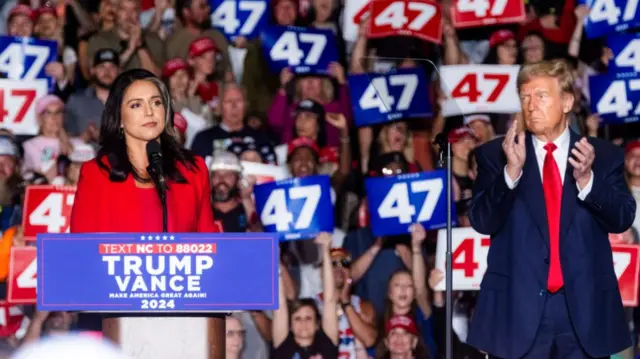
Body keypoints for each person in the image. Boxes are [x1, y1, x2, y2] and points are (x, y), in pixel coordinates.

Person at [467, 59, 636, 358]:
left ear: (567, 101)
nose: (531, 106)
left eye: (541, 96)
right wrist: (511, 175)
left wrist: (588, 180)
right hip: (517, 311)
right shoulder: (497, 155)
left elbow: (622, 217)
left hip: (584, 313)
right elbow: (482, 220)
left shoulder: (601, 156)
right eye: (525, 97)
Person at [69, 69, 223, 354]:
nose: (149, 111)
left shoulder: (194, 170)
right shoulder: (96, 174)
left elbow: (207, 245)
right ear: (120, 118)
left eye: (156, 102)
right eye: (136, 105)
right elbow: (82, 254)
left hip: (183, 321)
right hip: (114, 321)